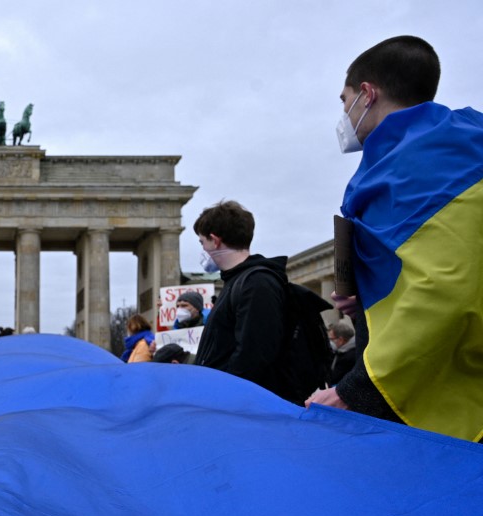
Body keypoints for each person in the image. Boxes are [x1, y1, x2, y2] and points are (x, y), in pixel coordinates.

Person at [307, 36, 483, 442]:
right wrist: (365, 301)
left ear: (367, 95)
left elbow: (441, 291)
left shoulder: (411, 168)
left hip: (444, 409)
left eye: (344, 100)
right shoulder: (460, 144)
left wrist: (353, 392)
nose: (343, 116)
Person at [192, 200, 293, 402]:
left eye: (202, 242)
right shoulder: (239, 281)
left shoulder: (256, 283)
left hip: (237, 405)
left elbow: (253, 356)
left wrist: (222, 398)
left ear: (215, 240)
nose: (203, 249)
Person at [327, 321, 357, 386]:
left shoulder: (348, 357)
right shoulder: (343, 350)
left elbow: (333, 378)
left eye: (331, 339)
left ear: (340, 340)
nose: (329, 342)